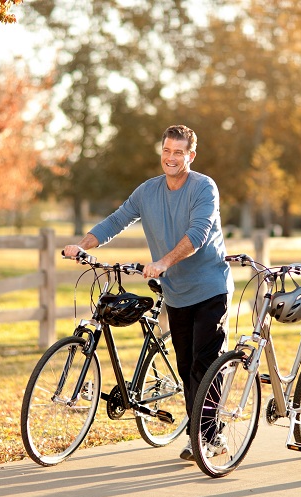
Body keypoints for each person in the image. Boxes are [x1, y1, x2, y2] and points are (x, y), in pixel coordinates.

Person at [62, 124, 234, 462]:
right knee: (185, 368)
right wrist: (81, 246)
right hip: (177, 292)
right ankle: (201, 434)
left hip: (210, 287)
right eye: (166, 151)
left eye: (178, 152)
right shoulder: (148, 191)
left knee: (204, 362)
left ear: (191, 156)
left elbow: (198, 233)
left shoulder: (204, 188)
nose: (171, 157)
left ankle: (209, 437)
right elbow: (117, 220)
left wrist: (164, 261)